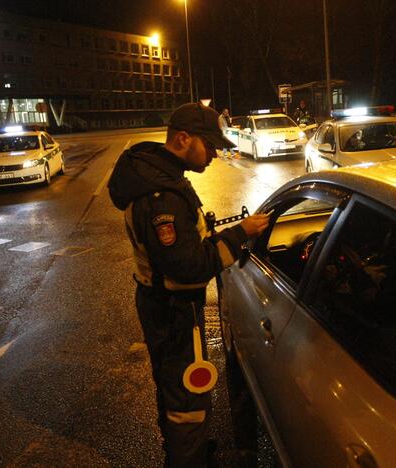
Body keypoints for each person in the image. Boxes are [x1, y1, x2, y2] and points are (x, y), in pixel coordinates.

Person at [108, 102, 270, 467]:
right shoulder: (159, 195)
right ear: (183, 139)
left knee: (180, 391)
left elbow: (187, 246)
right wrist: (239, 235)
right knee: (186, 400)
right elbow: (187, 266)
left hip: (168, 306)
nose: (215, 154)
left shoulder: (161, 176)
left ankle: (189, 452)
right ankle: (187, 459)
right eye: (209, 145)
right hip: (173, 312)